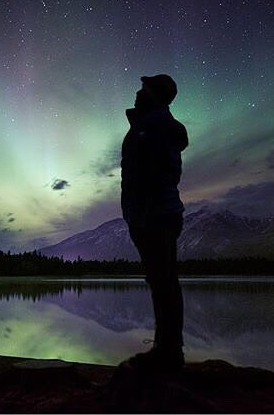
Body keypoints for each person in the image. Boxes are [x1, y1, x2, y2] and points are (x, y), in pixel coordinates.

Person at [120, 74, 189, 372]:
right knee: (162, 281)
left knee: (163, 282)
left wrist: (140, 214)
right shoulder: (151, 124)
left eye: (143, 89)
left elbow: (150, 174)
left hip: (154, 216)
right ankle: (167, 347)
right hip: (154, 214)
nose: (137, 92)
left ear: (154, 95)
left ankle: (169, 351)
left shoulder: (154, 126)